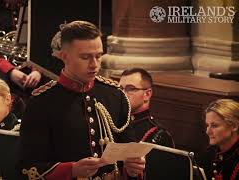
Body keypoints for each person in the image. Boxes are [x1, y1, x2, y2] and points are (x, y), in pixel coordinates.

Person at [19, 20, 145, 179]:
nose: (94, 65)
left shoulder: (114, 95)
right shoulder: (41, 103)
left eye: (98, 56)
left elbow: (129, 152)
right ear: (64, 57)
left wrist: (133, 167)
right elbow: (26, 167)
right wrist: (71, 170)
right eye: (85, 57)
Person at [119, 68, 174, 147]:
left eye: (130, 89)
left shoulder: (157, 134)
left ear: (147, 94)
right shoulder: (115, 123)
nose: (123, 94)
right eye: (120, 89)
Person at [197, 99, 239, 180]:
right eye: (207, 125)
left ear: (234, 126)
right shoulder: (209, 153)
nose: (207, 132)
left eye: (214, 126)